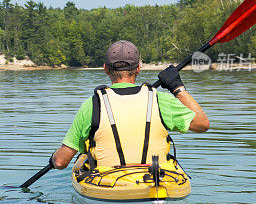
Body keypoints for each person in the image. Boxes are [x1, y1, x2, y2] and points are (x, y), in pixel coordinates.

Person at [51, 40, 209, 171]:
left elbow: (60, 162)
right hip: (155, 183)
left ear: (106, 69)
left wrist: (53, 158)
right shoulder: (159, 100)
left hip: (109, 185)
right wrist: (177, 86)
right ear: (138, 68)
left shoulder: (93, 105)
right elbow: (203, 124)